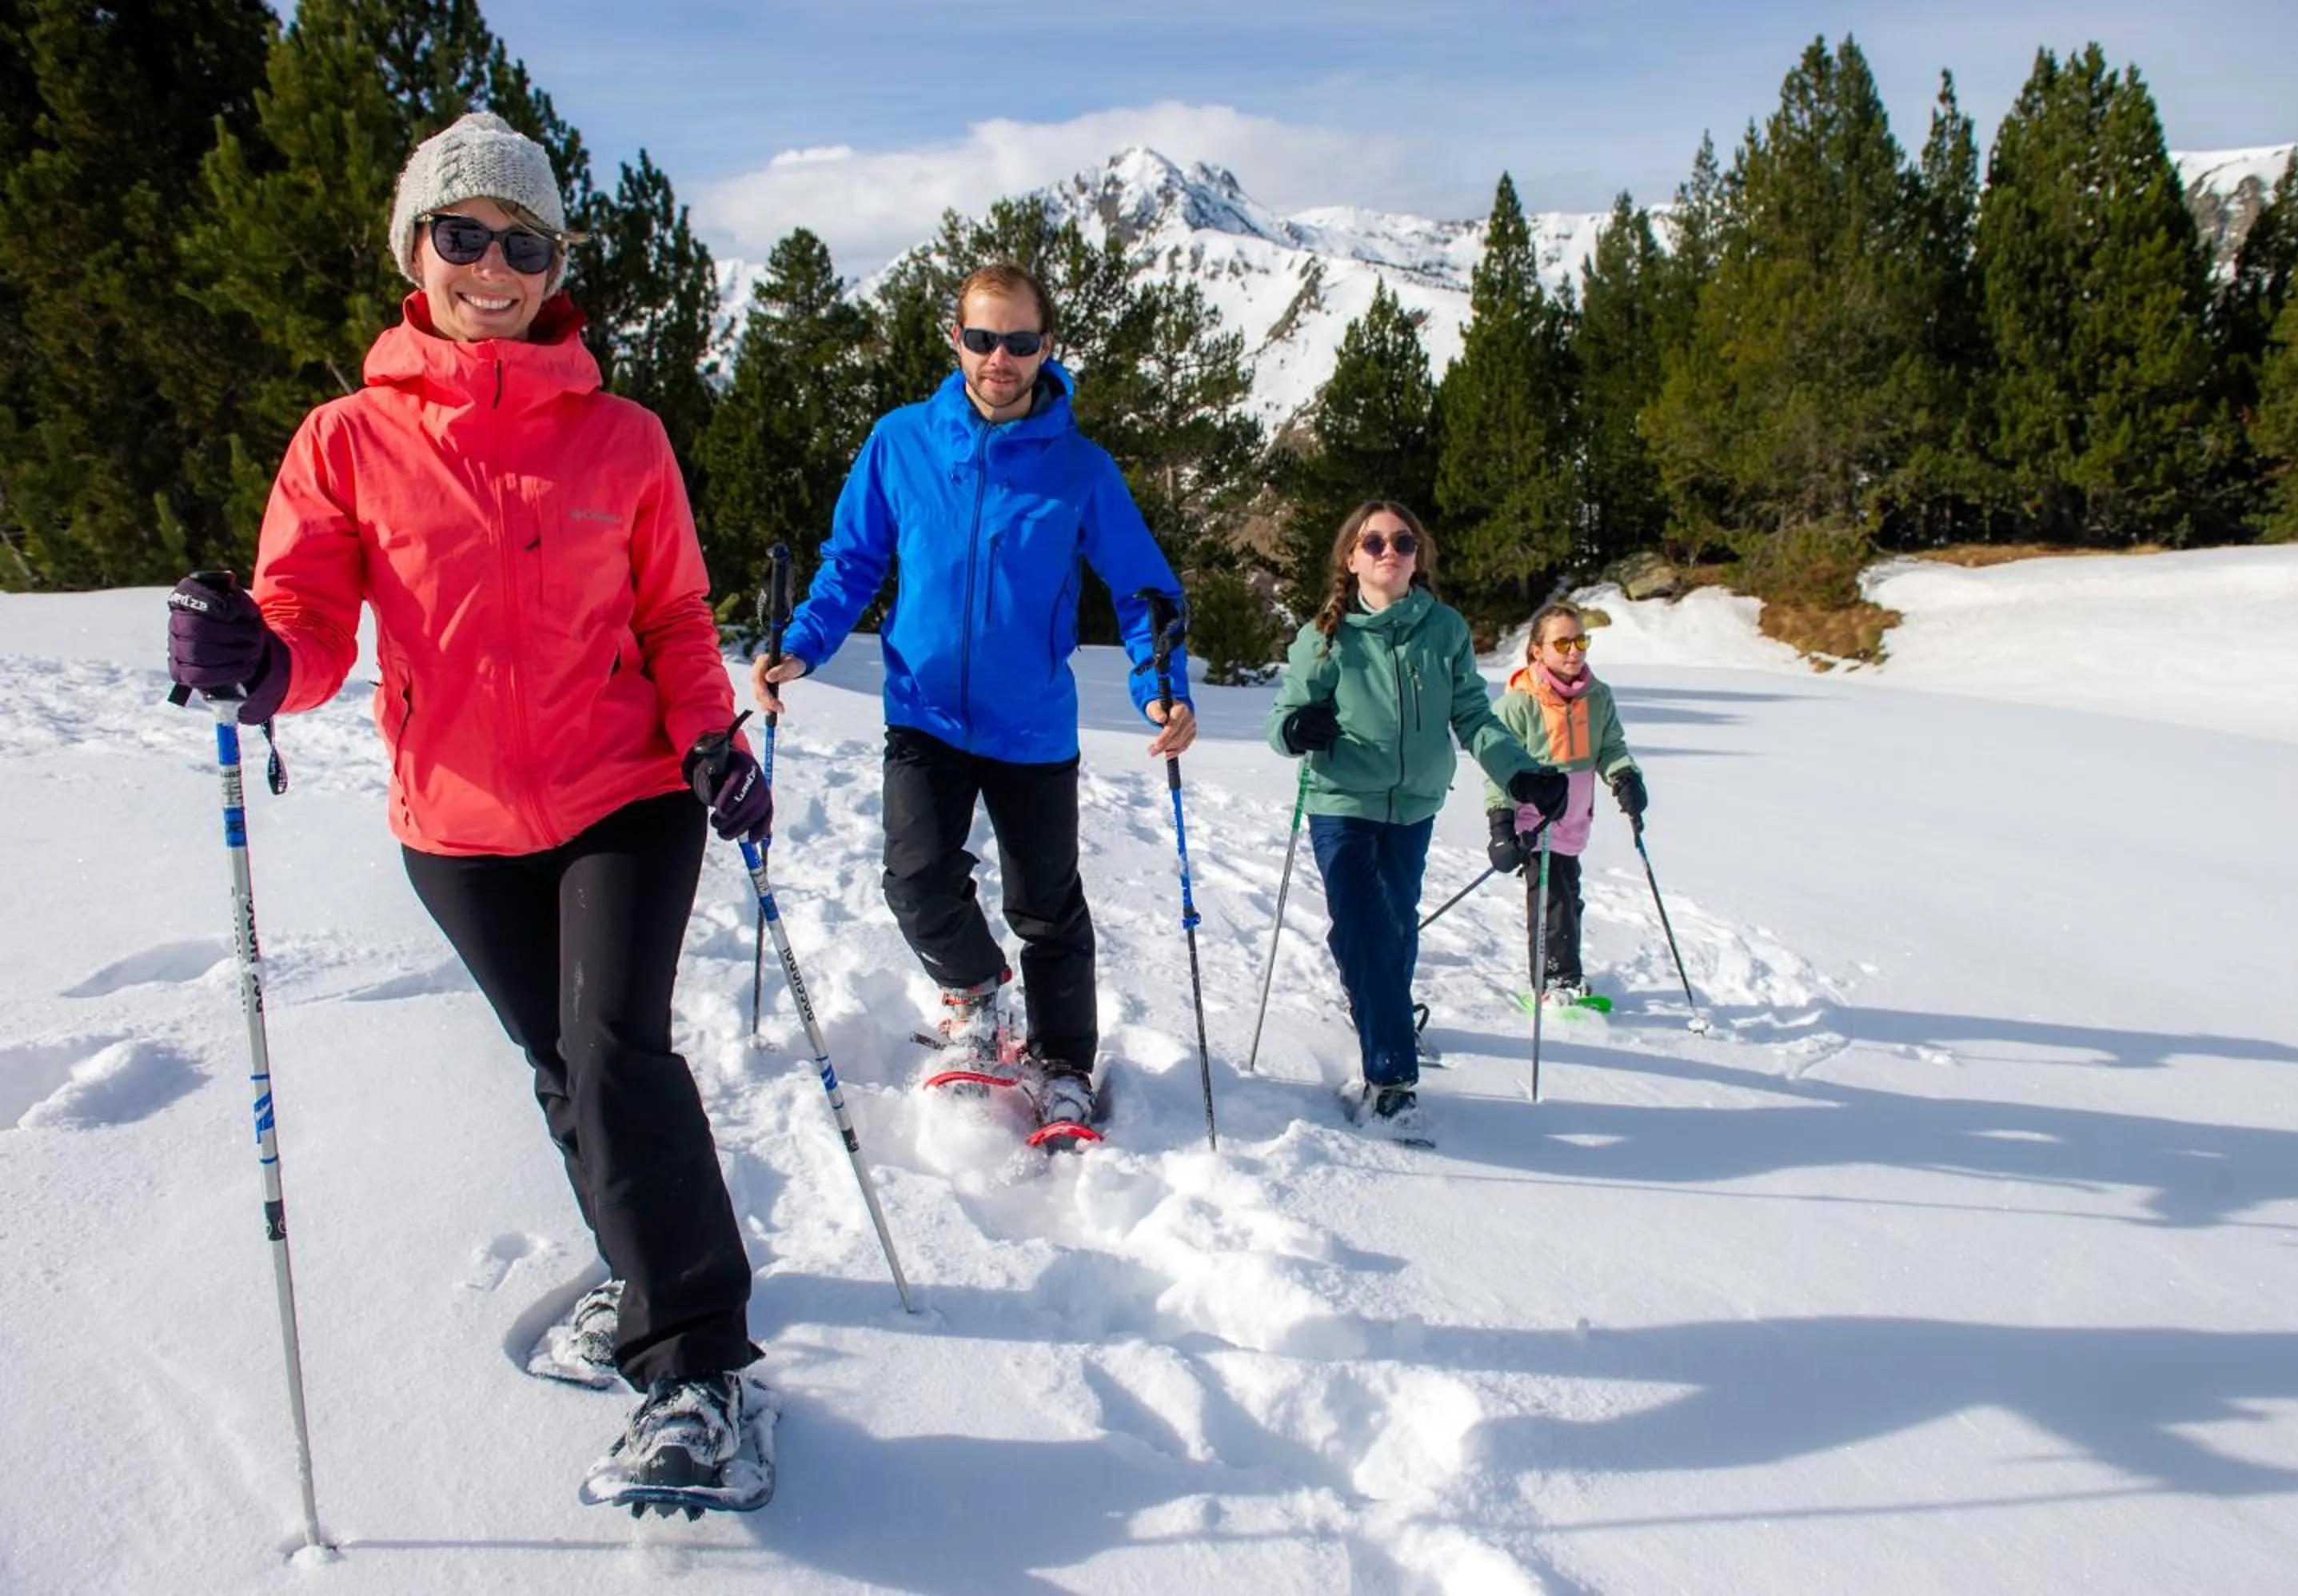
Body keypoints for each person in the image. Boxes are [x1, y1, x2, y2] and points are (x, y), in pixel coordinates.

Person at [165, 112, 763, 1498]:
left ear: (556, 265)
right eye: (463, 234)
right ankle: (642, 1268)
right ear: (414, 249)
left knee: (616, 1055)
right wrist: (257, 664)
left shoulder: (621, 438)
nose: (492, 265)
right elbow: (304, 615)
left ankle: (696, 1369)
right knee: (564, 1068)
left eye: (524, 242)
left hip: (626, 793)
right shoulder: (348, 442)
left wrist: (715, 739)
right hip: (461, 826)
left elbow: (674, 615)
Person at [750, 262, 1195, 1136]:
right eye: (984, 338)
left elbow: (1145, 591)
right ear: (955, 339)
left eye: (1020, 341)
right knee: (915, 879)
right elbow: (853, 563)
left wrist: (1160, 689)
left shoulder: (1080, 468)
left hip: (1030, 724)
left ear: (1047, 347)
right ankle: (981, 999)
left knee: (1046, 906)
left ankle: (1064, 1065)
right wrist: (800, 645)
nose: (1000, 357)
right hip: (924, 712)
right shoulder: (901, 441)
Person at [1264, 501, 1567, 1135]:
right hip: (1341, 800)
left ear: (1417, 556)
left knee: (1393, 927)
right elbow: (1283, 719)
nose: (1388, 552)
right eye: (1372, 542)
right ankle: (1392, 1079)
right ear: (1351, 557)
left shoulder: (1445, 629)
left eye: (1401, 541)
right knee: (1369, 926)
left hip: (1415, 805)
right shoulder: (1325, 633)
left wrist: (1520, 772)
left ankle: (1378, 1011)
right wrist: (1299, 727)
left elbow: (1474, 718)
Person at [1482, 602, 1646, 1001]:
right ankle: (1554, 981)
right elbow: (1497, 766)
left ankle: (1565, 971)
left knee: (1569, 896)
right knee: (1551, 900)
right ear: (1538, 650)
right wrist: (1501, 826)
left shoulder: (1597, 696)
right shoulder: (1519, 703)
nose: (1575, 651)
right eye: (1563, 643)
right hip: (1535, 823)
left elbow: (1610, 747)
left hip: (1574, 820)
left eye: (1580, 640)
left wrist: (1624, 776)